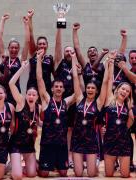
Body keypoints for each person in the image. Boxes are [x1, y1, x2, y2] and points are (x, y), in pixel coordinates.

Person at [70, 48, 110, 177]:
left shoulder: (98, 103)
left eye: (93, 88)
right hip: (77, 140)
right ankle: (86, 163)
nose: (90, 89)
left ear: (96, 91)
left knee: (92, 174)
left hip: (91, 141)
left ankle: (95, 163)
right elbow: (75, 78)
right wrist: (73, 58)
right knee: (78, 173)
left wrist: (109, 64)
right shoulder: (79, 99)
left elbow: (105, 82)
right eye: (88, 87)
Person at [36, 49, 76, 177]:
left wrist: (75, 65)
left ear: (64, 89)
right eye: (56, 86)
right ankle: (35, 163)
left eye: (61, 87)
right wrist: (38, 60)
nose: (58, 88)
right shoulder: (47, 100)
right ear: (52, 88)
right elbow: (39, 79)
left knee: (64, 173)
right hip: (47, 143)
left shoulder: (67, 102)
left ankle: (56, 164)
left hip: (62, 144)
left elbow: (79, 91)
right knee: (44, 174)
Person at [53, 25, 85, 168]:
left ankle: (70, 157)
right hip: (59, 103)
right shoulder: (59, 65)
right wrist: (60, 25)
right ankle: (57, 156)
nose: (68, 52)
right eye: (67, 51)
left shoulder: (78, 68)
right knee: (57, 129)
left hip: (73, 103)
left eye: (71, 51)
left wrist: (79, 74)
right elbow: (58, 46)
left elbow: (83, 88)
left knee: (71, 130)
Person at [103, 52, 134, 178]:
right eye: (123, 89)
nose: (125, 92)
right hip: (110, 141)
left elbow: (131, 120)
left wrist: (124, 129)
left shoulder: (128, 105)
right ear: (118, 89)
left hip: (124, 141)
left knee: (125, 175)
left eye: (127, 91)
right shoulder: (110, 99)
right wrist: (110, 62)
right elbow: (109, 80)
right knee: (109, 175)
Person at [9, 61, 41, 179]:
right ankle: (13, 164)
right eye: (29, 94)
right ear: (25, 95)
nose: (31, 97)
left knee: (32, 174)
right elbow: (11, 83)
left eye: (34, 95)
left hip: (29, 144)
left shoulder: (39, 107)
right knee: (17, 176)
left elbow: (37, 123)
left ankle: (19, 165)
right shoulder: (21, 103)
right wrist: (22, 68)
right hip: (16, 144)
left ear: (37, 97)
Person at [0, 13, 30, 104]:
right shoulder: (3, 57)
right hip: (2, 90)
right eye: (12, 47)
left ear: (19, 49)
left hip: (15, 89)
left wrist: (26, 24)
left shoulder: (20, 59)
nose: (14, 49)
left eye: (16, 48)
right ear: (8, 48)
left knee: (13, 114)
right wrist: (2, 20)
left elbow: (27, 41)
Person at [26, 9, 54, 95]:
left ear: (47, 45)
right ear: (37, 46)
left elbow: (55, 73)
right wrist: (30, 18)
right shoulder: (33, 54)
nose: (42, 45)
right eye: (40, 44)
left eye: (44, 44)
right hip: (32, 86)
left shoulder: (50, 58)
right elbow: (30, 34)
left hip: (46, 88)